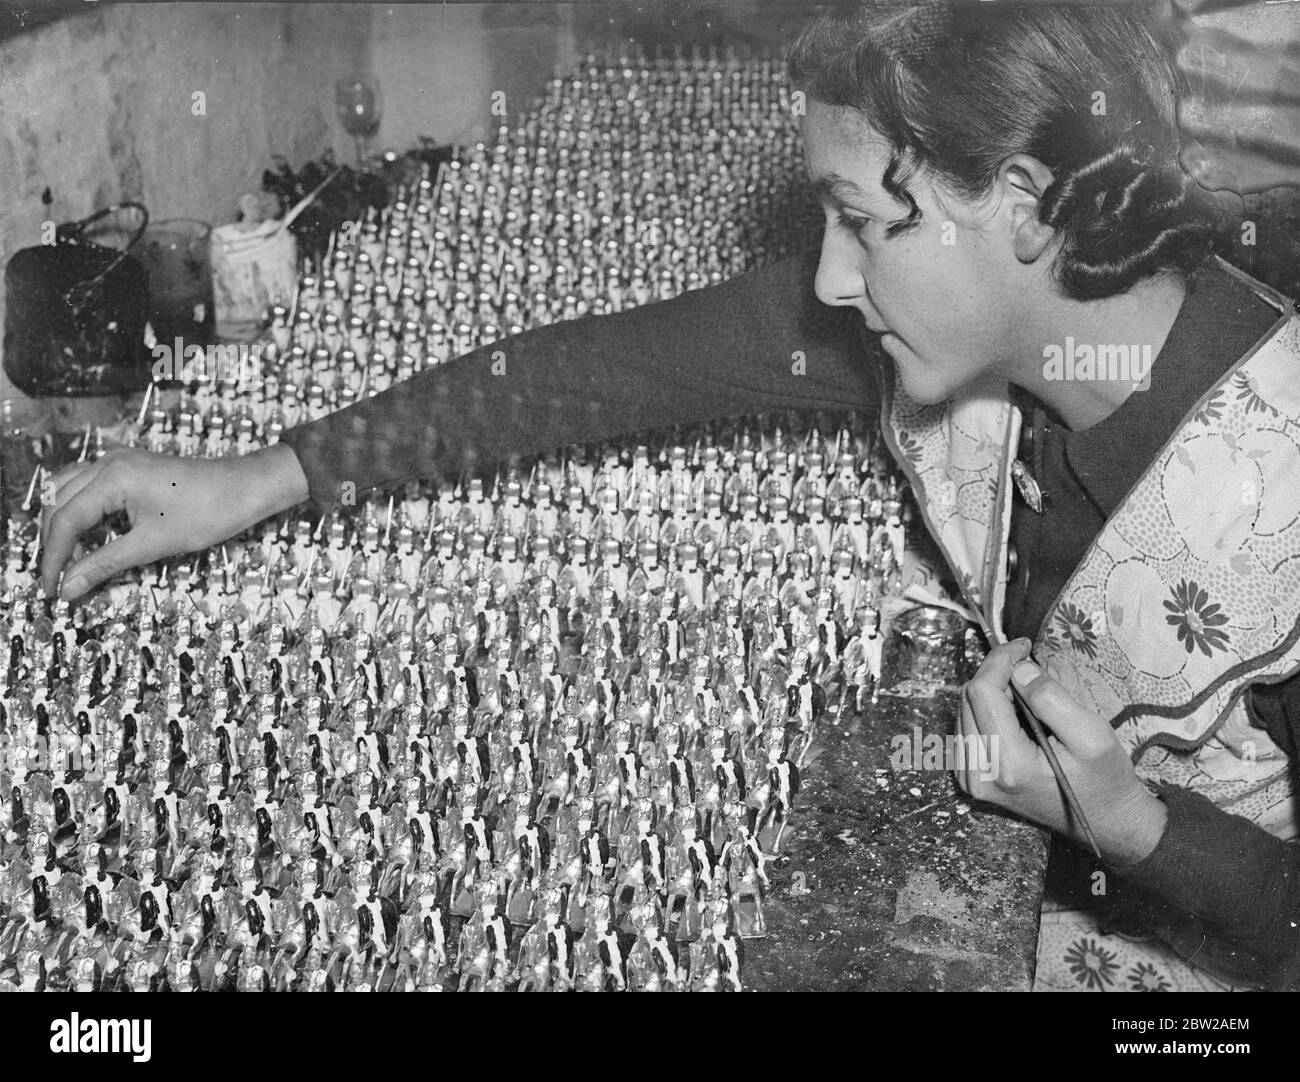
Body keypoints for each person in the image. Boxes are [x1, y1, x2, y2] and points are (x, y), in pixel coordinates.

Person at [39, 2, 1300, 990]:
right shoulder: (913, 333)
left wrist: (1136, 829)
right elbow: (586, 375)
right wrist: (260, 476)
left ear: (1023, 207)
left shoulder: (1280, 475)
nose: (830, 276)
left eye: (860, 221)